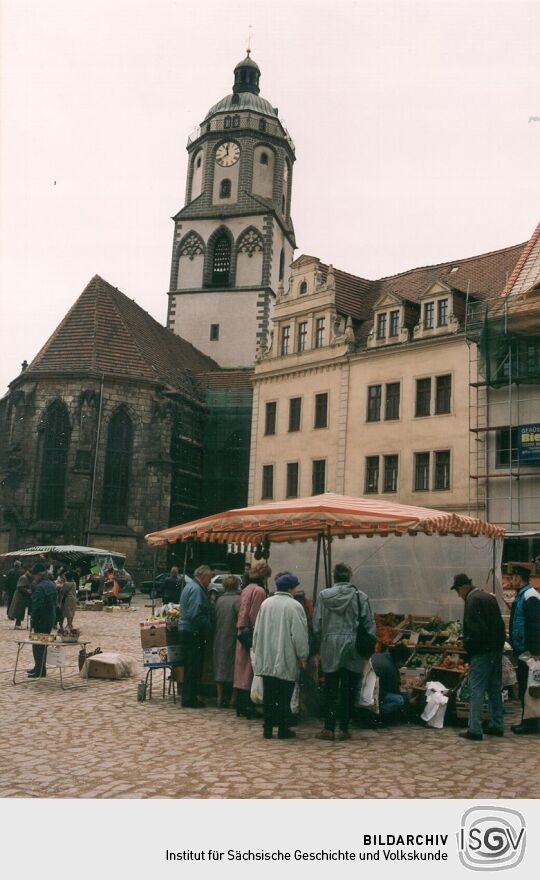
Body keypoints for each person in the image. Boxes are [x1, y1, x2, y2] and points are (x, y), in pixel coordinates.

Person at [313, 562, 375, 742]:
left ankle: (328, 728)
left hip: (330, 646)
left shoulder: (323, 596)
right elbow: (369, 625)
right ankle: (345, 728)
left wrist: (322, 640)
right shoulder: (360, 597)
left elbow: (317, 624)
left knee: (330, 686)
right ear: (349, 576)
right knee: (348, 688)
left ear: (334, 577)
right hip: (352, 646)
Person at [253, 572, 309, 740]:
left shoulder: (266, 604)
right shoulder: (294, 606)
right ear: (291, 588)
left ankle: (268, 728)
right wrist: (303, 656)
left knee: (269, 695)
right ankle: (283, 729)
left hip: (267, 657)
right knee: (285, 696)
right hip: (285, 658)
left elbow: (257, 631)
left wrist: (257, 651)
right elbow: (299, 635)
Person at [451, 573, 506, 741]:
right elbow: (500, 625)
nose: (458, 596)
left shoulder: (472, 600)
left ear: (463, 587)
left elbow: (476, 630)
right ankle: (497, 724)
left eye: (458, 592)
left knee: (477, 689)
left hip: (482, 652)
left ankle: (475, 728)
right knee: (494, 688)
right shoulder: (487, 596)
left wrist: (469, 648)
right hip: (496, 650)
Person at [233, 560, 269, 718]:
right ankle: (248, 705)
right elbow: (256, 615)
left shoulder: (246, 588)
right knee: (250, 668)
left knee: (241, 668)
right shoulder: (259, 591)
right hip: (251, 632)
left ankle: (240, 704)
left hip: (241, 630)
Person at [509, 566, 540, 735]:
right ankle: (527, 720)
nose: (510, 581)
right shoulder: (523, 595)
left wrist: (536, 651)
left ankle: (529, 723)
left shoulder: (530, 596)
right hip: (522, 650)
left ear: (519, 578)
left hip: (528, 652)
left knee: (529, 688)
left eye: (512, 577)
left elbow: (535, 626)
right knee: (525, 686)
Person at [178, 564, 213, 708]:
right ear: (203, 576)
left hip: (186, 630)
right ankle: (190, 699)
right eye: (209, 578)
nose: (210, 581)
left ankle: (189, 697)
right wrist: (209, 626)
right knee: (193, 666)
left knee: (190, 665)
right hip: (192, 631)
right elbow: (195, 614)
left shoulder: (190, 586)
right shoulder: (197, 589)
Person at [212, 575, 241, 707]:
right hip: (233, 636)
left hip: (219, 636)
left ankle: (219, 697)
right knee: (234, 666)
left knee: (220, 664)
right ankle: (233, 698)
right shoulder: (238, 600)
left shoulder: (219, 600)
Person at [27, 562, 57, 678]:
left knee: (37, 645)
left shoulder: (39, 587)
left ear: (38, 575)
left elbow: (37, 606)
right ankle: (39, 668)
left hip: (40, 620)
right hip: (49, 619)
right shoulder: (51, 584)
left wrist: (33, 620)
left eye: (34, 576)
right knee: (43, 644)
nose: (33, 578)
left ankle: (39, 670)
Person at [371, 643, 411, 723]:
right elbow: (395, 689)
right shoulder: (390, 667)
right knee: (400, 699)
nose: (403, 664)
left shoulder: (379, 655)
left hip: (369, 690)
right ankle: (376, 712)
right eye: (404, 662)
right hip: (377, 693)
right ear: (400, 660)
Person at [8, 563, 33, 629]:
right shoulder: (24, 577)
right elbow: (19, 587)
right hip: (19, 596)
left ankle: (18, 624)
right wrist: (27, 590)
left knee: (20, 610)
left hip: (22, 596)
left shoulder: (27, 577)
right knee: (18, 610)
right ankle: (17, 624)